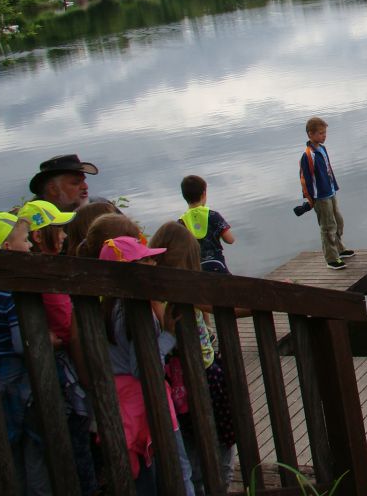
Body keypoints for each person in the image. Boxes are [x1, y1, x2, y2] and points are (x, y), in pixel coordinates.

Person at [98, 235, 195, 495]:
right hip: (145, 398)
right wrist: (168, 335)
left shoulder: (109, 307)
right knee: (179, 466)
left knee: (143, 473)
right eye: (146, 260)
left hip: (123, 401)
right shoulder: (132, 312)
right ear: (129, 271)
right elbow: (142, 368)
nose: (154, 264)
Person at [18, 199, 99, 496]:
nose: (65, 236)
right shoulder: (47, 280)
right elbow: (69, 330)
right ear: (38, 236)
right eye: (58, 230)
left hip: (55, 380)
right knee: (77, 454)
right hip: (66, 384)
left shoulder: (45, 272)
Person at [150, 221, 237, 493]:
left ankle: (200, 486)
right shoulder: (184, 294)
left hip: (175, 384)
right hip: (205, 377)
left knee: (191, 445)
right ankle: (218, 485)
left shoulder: (152, 292)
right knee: (221, 441)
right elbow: (227, 307)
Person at [0, 211, 53, 494]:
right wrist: (49, 339)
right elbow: (23, 343)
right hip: (19, 380)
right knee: (36, 447)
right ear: (7, 249)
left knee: (10, 448)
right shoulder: (11, 292)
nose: (31, 246)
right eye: (25, 241)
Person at [299, 117, 354, 270]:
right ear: (310, 134)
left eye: (325, 133)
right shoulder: (308, 155)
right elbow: (305, 179)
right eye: (321, 133)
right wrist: (310, 200)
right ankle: (331, 258)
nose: (324, 136)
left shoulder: (322, 149)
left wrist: (333, 185)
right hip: (320, 196)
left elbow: (328, 170)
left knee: (338, 220)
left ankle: (339, 248)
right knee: (327, 225)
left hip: (330, 191)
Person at [178, 176, 235, 274]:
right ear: (204, 194)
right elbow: (230, 240)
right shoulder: (213, 215)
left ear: (184, 196)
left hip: (195, 270)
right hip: (217, 267)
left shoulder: (181, 222)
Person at [28, 154, 99, 211]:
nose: (85, 187)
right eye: (75, 183)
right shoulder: (30, 221)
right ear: (53, 189)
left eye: (83, 180)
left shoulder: (100, 208)